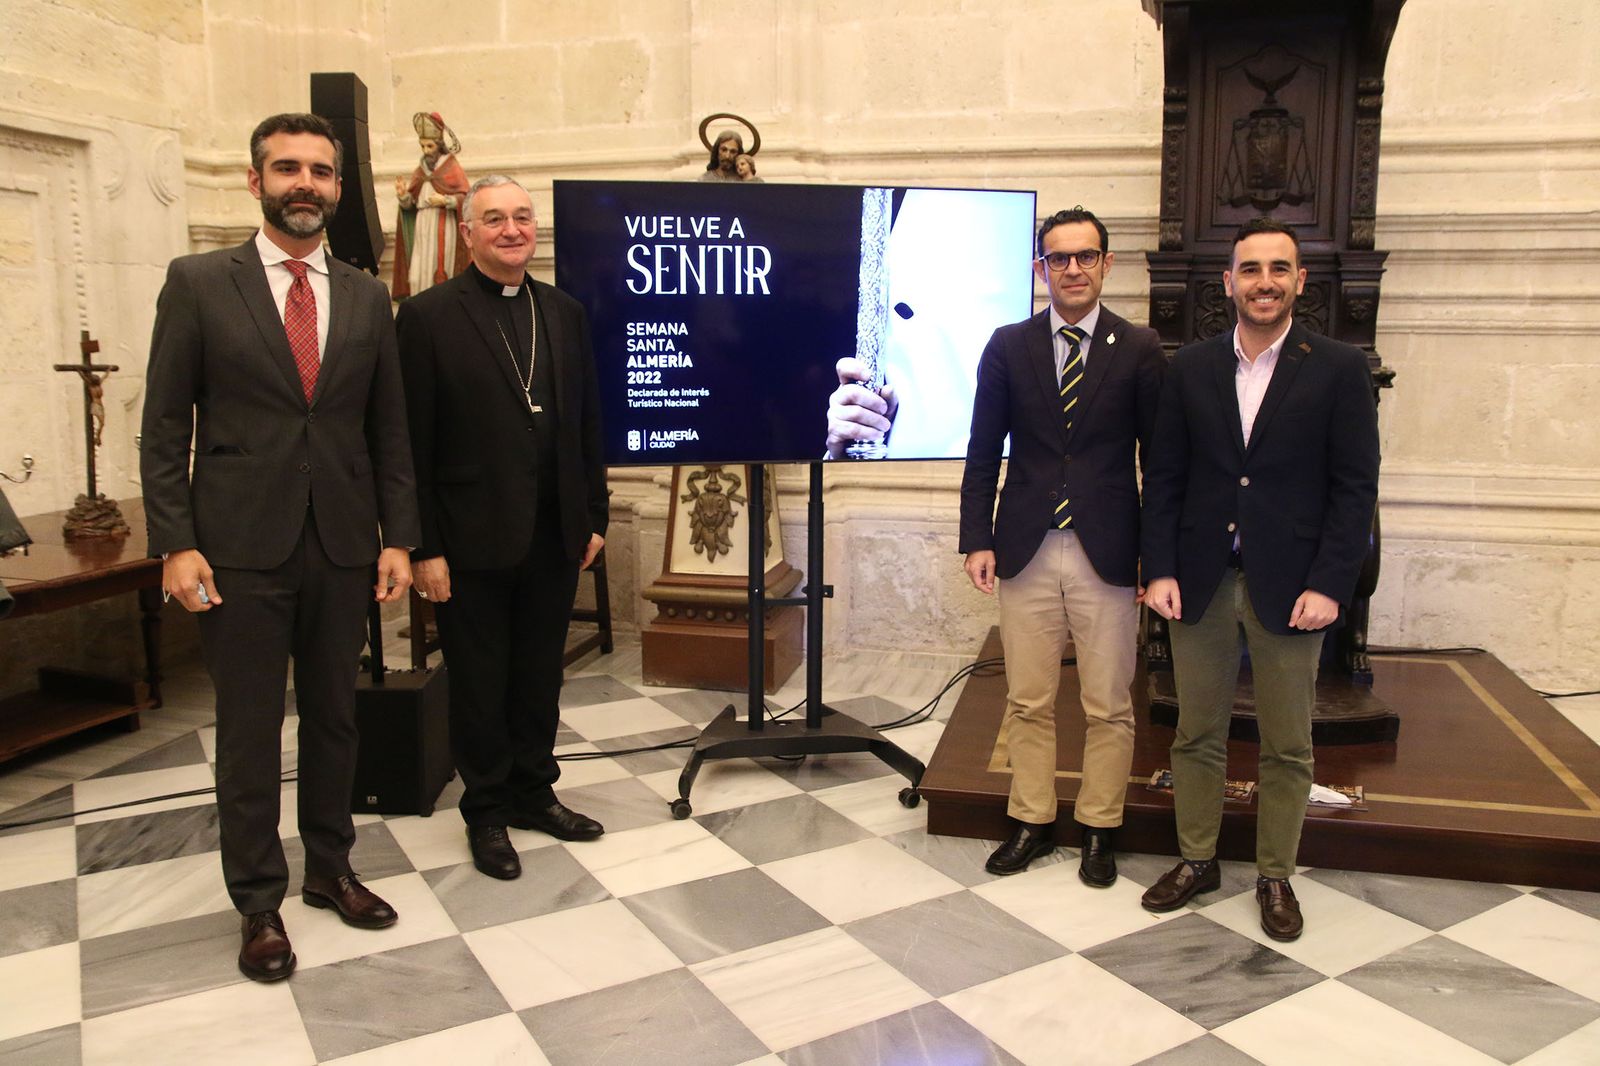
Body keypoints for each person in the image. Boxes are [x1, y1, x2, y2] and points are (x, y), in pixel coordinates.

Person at [141, 112, 419, 982]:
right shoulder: (197, 281)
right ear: (254, 179)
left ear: (339, 187)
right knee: (250, 729)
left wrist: (398, 539)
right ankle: (258, 901)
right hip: (237, 550)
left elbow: (389, 431)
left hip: (341, 544)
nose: (307, 184)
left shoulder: (367, 294)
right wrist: (175, 544)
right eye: (288, 168)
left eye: (322, 172)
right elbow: (161, 426)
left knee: (337, 717)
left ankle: (330, 869)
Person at [1139, 217, 1380, 941]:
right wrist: (1160, 570)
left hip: (1293, 585)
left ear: (1299, 281)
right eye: (1251, 270)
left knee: (1286, 744)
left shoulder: (1337, 368)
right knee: (1196, 733)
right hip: (1202, 582)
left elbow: (1354, 488)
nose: (1264, 282)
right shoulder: (1190, 368)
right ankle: (1196, 858)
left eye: (1279, 269)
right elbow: (1166, 479)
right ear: (1229, 282)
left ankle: (1275, 874)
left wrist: (1332, 583)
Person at [397, 175, 610, 881]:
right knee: (480, 681)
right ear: (467, 232)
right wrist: (422, 545)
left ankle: (532, 792)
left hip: (553, 533)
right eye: (495, 219)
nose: (513, 229)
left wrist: (595, 514)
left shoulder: (564, 311)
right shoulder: (427, 317)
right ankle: (486, 811)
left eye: (523, 217)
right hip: (466, 539)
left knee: (538, 676)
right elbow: (411, 442)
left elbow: (586, 423)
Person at [958, 207, 1165, 882]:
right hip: (1027, 546)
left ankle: (1100, 825)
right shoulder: (1007, 345)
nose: (1072, 269)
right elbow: (983, 450)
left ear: (1107, 264)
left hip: (1108, 551)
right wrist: (976, 537)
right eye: (1059, 258)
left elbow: (1159, 464)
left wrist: (1155, 561)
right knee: (1028, 698)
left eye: (1086, 256)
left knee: (1109, 702)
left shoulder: (1139, 348)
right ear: (1040, 269)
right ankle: (1033, 819)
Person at [392, 111, 471, 300]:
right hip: (422, 225)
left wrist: (445, 201)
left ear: (439, 145)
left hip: (444, 225)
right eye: (423, 146)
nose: (426, 150)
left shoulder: (451, 167)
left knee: (440, 265)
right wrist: (403, 196)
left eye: (430, 145)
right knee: (421, 267)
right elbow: (410, 204)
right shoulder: (420, 170)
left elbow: (465, 197)